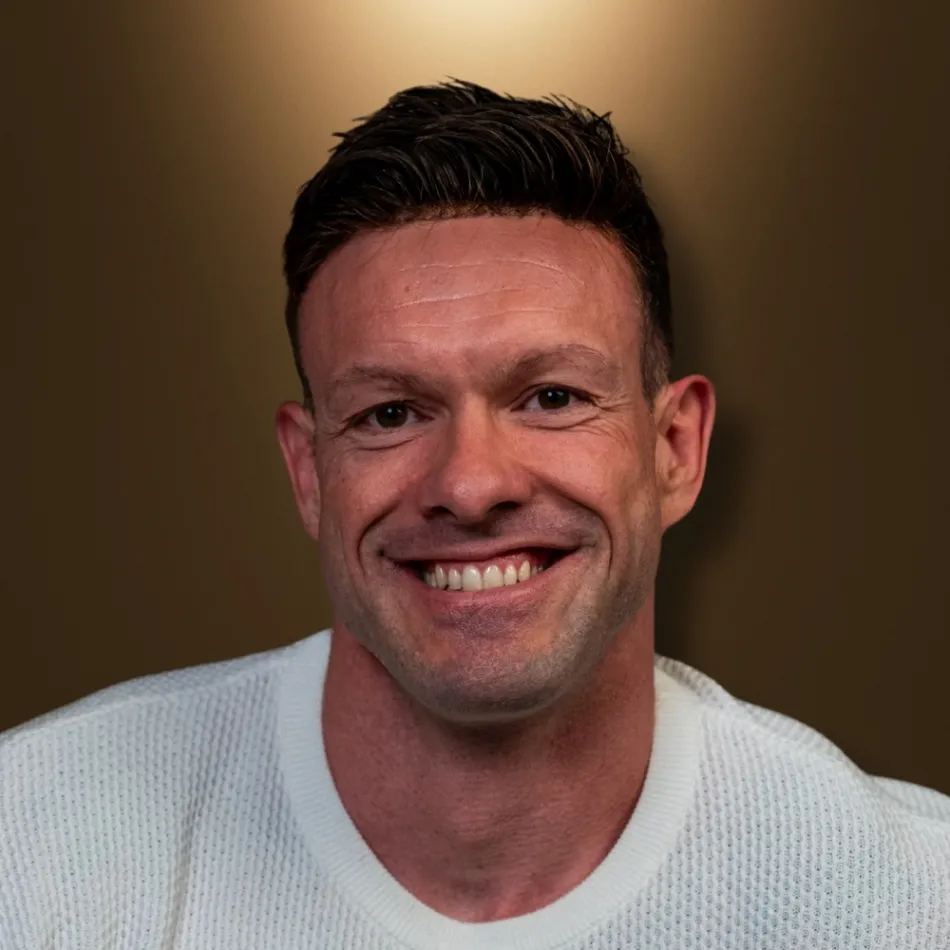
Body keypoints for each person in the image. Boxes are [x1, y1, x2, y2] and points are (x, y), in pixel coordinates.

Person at [2, 79, 949, 949]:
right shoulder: (32, 849)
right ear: (309, 472)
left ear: (675, 449)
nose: (470, 483)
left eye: (552, 398)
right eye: (390, 413)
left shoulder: (912, 899)